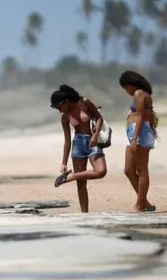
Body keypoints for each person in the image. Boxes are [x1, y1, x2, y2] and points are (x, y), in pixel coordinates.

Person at [50, 84, 108, 213]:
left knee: (101, 171)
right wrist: (64, 162)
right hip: (78, 145)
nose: (60, 110)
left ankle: (71, 176)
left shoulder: (84, 102)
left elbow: (99, 117)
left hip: (93, 141)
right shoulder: (65, 117)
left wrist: (95, 134)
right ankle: (84, 213)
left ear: (66, 101)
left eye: (60, 107)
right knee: (81, 183)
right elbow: (67, 141)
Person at [119, 70, 158, 213]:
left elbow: (141, 116)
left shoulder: (139, 93)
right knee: (128, 170)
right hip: (136, 132)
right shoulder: (141, 94)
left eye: (125, 87)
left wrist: (135, 138)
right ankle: (145, 202)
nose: (126, 91)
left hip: (139, 132)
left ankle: (140, 204)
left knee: (141, 170)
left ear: (130, 84)